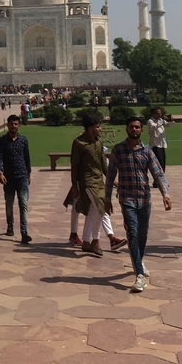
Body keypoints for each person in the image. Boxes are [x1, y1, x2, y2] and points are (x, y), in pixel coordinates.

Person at [104, 117, 172, 293]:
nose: (134, 129)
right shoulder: (118, 150)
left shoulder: (147, 151)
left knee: (142, 234)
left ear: (142, 130)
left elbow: (158, 173)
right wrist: (107, 199)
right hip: (127, 199)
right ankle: (139, 275)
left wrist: (165, 194)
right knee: (132, 234)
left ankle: (139, 262)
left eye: (137, 127)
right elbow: (110, 175)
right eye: (131, 127)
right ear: (127, 129)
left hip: (144, 199)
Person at [67, 115, 127, 254]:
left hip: (98, 180)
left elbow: (103, 162)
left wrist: (111, 178)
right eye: (97, 127)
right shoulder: (79, 143)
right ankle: (96, 240)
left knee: (94, 210)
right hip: (87, 181)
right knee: (101, 206)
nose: (100, 129)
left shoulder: (98, 142)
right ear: (89, 129)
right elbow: (74, 165)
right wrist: (74, 186)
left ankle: (86, 242)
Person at [0, 114, 32, 244]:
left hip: (22, 176)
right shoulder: (2, 141)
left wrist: (29, 173)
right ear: (7, 125)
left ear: (19, 126)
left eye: (16, 124)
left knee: (23, 204)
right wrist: (0, 173)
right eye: (11, 124)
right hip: (8, 178)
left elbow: (27, 157)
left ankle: (24, 232)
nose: (13, 126)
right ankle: (10, 225)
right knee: (9, 204)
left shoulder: (23, 140)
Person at [147, 107, 173, 172]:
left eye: (160, 113)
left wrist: (171, 121)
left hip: (162, 144)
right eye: (158, 113)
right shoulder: (150, 121)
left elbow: (167, 125)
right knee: (158, 163)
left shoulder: (160, 120)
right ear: (153, 113)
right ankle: (158, 176)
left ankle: (162, 175)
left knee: (163, 162)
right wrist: (161, 121)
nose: (159, 115)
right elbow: (153, 127)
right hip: (155, 144)